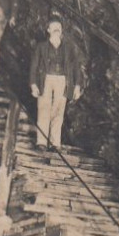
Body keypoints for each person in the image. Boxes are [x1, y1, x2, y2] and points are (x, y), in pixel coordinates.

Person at [30, 17, 84, 149]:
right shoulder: (41, 47)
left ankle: (55, 143)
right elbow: (34, 67)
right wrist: (33, 84)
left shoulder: (69, 48)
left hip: (62, 81)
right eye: (53, 27)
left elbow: (76, 66)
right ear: (48, 30)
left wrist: (77, 85)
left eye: (58, 27)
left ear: (61, 30)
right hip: (45, 80)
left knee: (58, 111)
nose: (56, 29)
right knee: (43, 109)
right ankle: (41, 142)